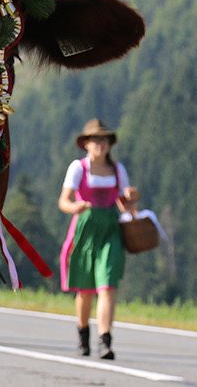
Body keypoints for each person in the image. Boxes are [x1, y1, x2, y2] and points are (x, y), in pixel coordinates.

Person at [58, 118, 138, 359]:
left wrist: (132, 198)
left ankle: (105, 340)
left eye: (103, 140)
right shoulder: (78, 168)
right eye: (95, 140)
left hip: (110, 229)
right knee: (85, 289)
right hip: (85, 227)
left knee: (108, 284)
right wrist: (75, 207)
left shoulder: (117, 170)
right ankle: (83, 335)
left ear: (109, 144)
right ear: (86, 144)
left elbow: (126, 205)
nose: (99, 144)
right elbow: (63, 201)